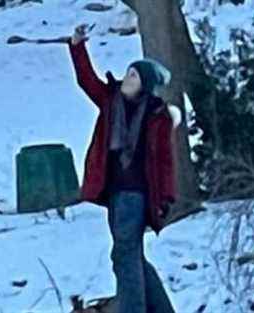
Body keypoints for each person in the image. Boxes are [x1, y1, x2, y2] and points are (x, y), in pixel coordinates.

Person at [67, 24, 181, 313]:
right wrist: (77, 46)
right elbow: (87, 81)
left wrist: (166, 196)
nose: (127, 77)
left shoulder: (157, 115)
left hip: (137, 193)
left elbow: (165, 160)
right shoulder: (110, 100)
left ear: (144, 83)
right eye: (129, 72)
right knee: (133, 256)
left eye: (133, 74)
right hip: (115, 193)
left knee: (124, 254)